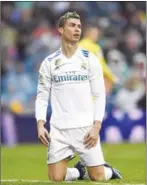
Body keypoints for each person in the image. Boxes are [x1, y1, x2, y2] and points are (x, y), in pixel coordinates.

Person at [35, 11, 122, 182]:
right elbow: (42, 95)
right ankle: (79, 172)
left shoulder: (90, 59)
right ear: (60, 30)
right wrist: (40, 124)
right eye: (72, 25)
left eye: (79, 26)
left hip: (85, 129)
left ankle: (110, 172)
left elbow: (99, 94)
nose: (77, 30)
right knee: (56, 177)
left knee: (97, 177)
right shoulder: (49, 62)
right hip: (59, 129)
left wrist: (96, 126)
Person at [79, 22, 118, 95]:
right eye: (95, 34)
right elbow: (101, 64)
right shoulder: (95, 47)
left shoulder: (78, 45)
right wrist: (112, 77)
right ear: (88, 33)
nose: (97, 36)